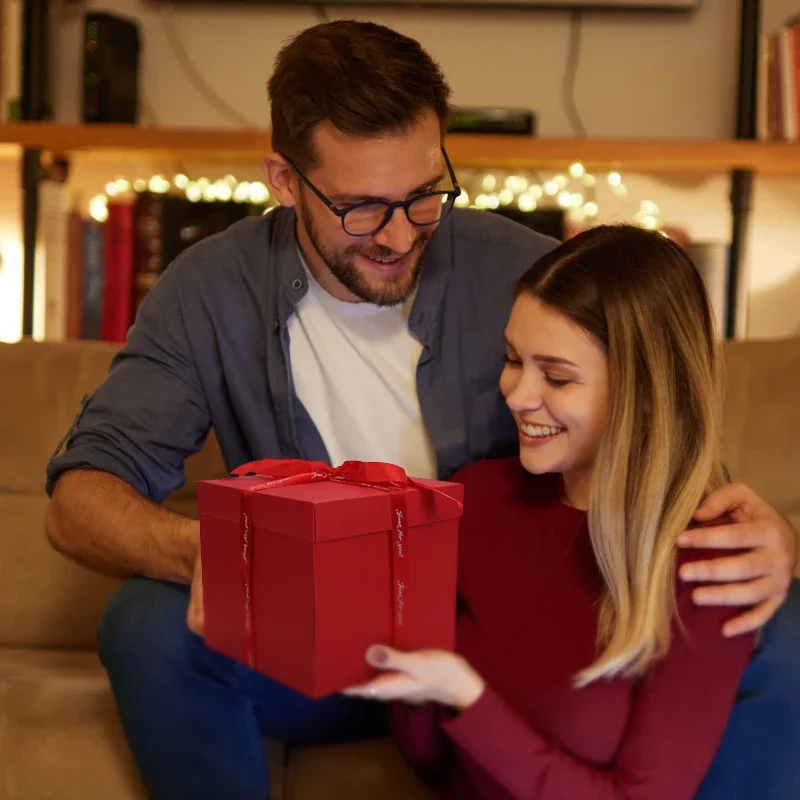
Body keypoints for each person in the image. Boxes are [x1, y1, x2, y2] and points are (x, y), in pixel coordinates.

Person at [42, 19, 798, 800]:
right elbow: (78, 500)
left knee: (776, 628)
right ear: (285, 180)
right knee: (144, 624)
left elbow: (658, 448)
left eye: (425, 195)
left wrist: (770, 537)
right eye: (363, 208)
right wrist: (207, 556)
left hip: (505, 644)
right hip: (322, 648)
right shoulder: (207, 292)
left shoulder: (521, 269)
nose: (402, 235)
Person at [341, 223, 755, 799]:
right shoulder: (477, 500)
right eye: (513, 359)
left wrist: (467, 696)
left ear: (642, 388)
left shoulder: (709, 562)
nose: (516, 393)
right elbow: (434, 764)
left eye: (556, 376)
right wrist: (411, 681)